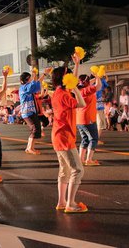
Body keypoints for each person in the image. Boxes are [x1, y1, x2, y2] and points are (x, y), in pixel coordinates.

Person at [51, 55, 88, 213]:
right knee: (77, 170)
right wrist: (75, 89)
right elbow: (81, 103)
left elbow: (70, 80)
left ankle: (61, 202)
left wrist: (77, 64)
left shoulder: (58, 92)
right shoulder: (65, 95)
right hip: (65, 138)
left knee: (64, 171)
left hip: (59, 136)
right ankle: (70, 204)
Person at [19, 68, 49, 155]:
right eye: (29, 78)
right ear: (27, 79)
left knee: (35, 129)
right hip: (27, 112)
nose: (31, 79)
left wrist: (44, 74)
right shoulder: (24, 88)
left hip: (30, 111)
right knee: (35, 129)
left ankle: (30, 148)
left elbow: (36, 84)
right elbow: (34, 84)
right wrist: (35, 75)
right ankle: (30, 148)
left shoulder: (26, 87)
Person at [77, 73, 102, 166]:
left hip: (79, 119)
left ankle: (81, 159)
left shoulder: (78, 90)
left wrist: (95, 78)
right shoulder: (88, 90)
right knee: (93, 139)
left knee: (85, 139)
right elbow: (98, 86)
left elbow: (88, 83)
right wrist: (98, 76)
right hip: (88, 118)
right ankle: (89, 159)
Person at [96, 76, 108, 144]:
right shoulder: (97, 88)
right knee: (100, 124)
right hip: (98, 108)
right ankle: (96, 139)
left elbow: (106, 80)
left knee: (99, 124)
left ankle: (95, 139)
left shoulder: (96, 86)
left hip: (96, 108)